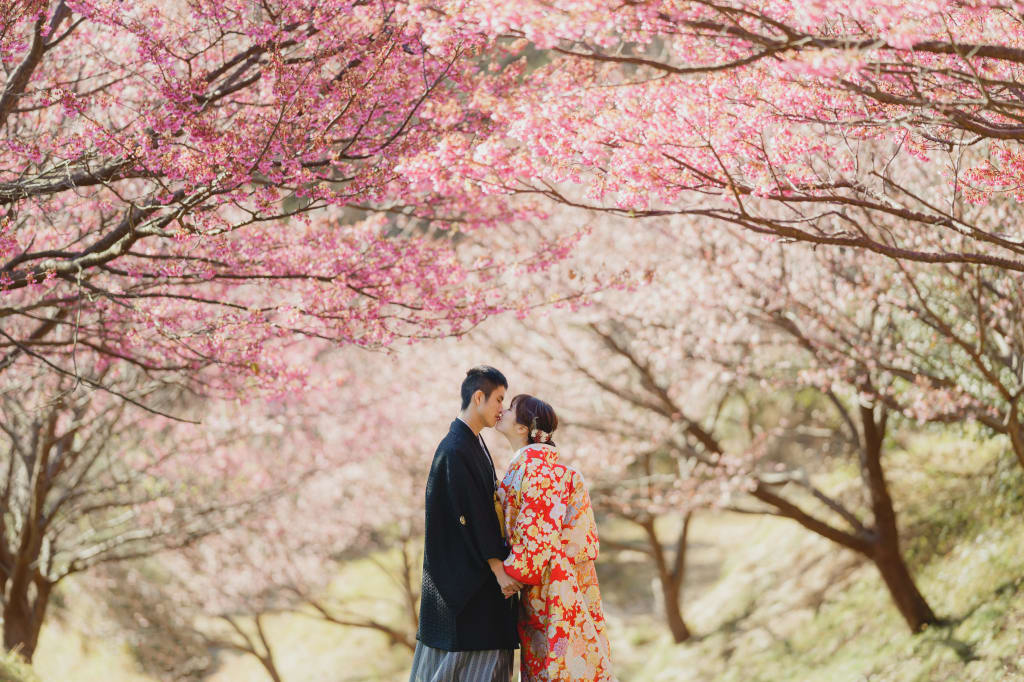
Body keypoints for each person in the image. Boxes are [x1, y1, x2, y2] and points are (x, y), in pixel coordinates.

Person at [495, 394, 616, 681]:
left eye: (510, 408)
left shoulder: (538, 470)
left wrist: (508, 576)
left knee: (560, 661)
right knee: (558, 660)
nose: (502, 411)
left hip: (554, 584)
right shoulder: (531, 467)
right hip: (549, 580)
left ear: (524, 428)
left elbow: (536, 533)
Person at [410, 366, 520, 682]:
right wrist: (499, 570)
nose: (502, 408)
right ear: (478, 397)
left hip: (472, 572)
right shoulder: (456, 448)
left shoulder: (471, 442)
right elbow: (473, 515)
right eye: (499, 399)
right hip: (464, 582)